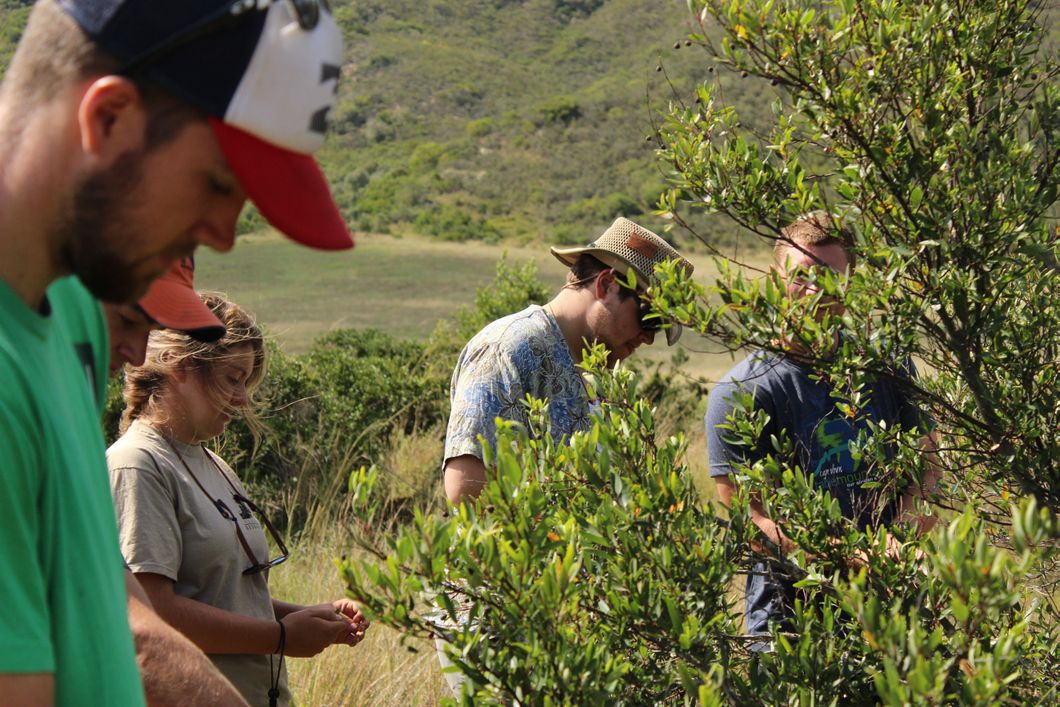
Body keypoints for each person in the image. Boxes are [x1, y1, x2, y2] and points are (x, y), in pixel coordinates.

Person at [0, 1, 351, 703]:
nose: (224, 234)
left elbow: (111, 596)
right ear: (109, 120)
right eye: (218, 183)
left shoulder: (72, 310)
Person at [108, 294, 368, 706]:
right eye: (232, 378)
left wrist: (308, 617)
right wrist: (281, 637)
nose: (243, 398)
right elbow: (152, 611)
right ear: (179, 366)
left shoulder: (212, 463)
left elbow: (221, 593)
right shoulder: (138, 464)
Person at [705, 212, 940, 645]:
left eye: (831, 277)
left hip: (893, 612)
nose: (816, 291)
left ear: (851, 283)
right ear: (775, 282)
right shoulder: (743, 392)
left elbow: (927, 464)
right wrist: (852, 557)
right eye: (802, 277)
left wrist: (899, 535)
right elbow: (752, 521)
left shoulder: (888, 366)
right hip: (790, 625)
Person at [443, 217, 695, 503]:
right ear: (607, 284)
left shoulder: (600, 375)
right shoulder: (508, 347)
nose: (649, 338)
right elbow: (464, 489)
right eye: (649, 319)